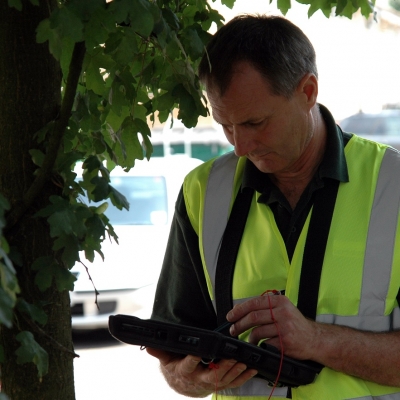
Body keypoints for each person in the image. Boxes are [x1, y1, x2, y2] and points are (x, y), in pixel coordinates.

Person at [147, 14, 400, 399]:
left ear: (308, 91)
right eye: (225, 125)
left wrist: (316, 340)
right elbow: (175, 366)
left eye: (255, 122)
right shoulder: (202, 192)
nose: (239, 147)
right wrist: (193, 380)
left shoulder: (393, 186)